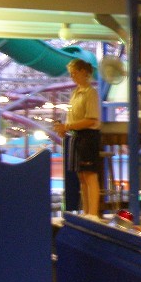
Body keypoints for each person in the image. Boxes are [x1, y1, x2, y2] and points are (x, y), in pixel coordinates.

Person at [53, 59, 102, 219]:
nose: (72, 76)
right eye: (71, 73)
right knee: (81, 176)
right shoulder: (76, 92)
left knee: (90, 174)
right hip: (77, 136)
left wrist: (67, 126)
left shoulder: (90, 93)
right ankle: (86, 212)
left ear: (84, 72)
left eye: (74, 72)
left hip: (88, 136)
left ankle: (93, 213)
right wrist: (65, 128)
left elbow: (91, 120)